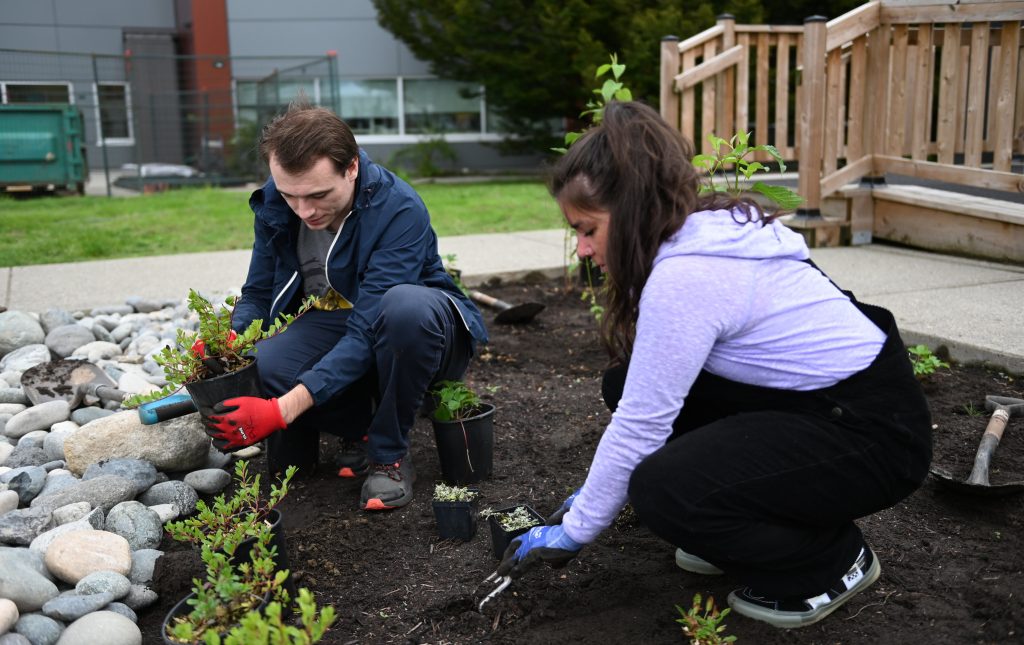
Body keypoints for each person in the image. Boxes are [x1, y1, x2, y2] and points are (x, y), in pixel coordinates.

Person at [496, 101, 932, 629]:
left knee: (661, 489)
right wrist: (589, 497)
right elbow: (643, 397)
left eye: (588, 229)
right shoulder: (703, 230)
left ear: (632, 210)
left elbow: (641, 426)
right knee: (623, 383)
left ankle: (829, 563)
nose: (583, 250)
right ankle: (736, 522)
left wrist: (577, 527)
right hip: (831, 404)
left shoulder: (688, 276)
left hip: (876, 437)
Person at [201, 100, 488, 511]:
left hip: (421, 333)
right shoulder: (275, 204)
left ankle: (389, 454)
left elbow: (368, 328)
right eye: (290, 196)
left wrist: (281, 410)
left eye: (318, 195)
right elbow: (260, 292)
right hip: (342, 323)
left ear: (351, 167)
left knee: (404, 308)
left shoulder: (398, 209)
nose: (304, 211)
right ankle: (363, 427)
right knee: (263, 361)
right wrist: (229, 343)